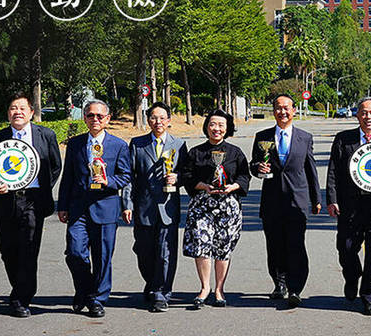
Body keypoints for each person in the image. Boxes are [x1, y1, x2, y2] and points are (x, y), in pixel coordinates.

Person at [0, 94, 63, 318]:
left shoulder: (45, 135)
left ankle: (21, 298)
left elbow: (55, 166)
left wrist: (43, 188)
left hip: (33, 201)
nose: (17, 112)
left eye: (22, 108)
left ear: (31, 113)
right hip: (5, 201)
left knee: (28, 249)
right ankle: (19, 289)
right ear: (8, 113)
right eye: (12, 108)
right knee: (8, 251)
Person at [326, 97, 371, 316]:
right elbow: (333, 172)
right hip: (350, 206)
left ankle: (370, 295)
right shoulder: (344, 140)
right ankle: (352, 276)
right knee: (346, 248)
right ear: (357, 115)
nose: (368, 117)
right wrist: (332, 199)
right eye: (364, 113)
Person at [57, 100, 132, 318]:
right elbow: (68, 177)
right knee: (74, 252)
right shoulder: (75, 144)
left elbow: (126, 176)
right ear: (85, 118)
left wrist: (108, 180)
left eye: (100, 116)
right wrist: (62, 205)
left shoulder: (119, 145)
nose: (95, 119)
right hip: (78, 208)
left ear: (107, 119)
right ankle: (85, 290)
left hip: (106, 208)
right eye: (90, 115)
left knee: (102, 257)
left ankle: (97, 299)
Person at [250, 95, 321, 308]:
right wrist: (257, 169)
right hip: (271, 200)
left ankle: (295, 288)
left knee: (296, 244)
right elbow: (253, 164)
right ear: (274, 111)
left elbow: (311, 170)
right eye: (278, 108)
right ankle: (279, 283)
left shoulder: (304, 137)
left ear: (294, 110)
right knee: (274, 245)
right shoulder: (262, 136)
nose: (283, 112)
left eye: (286, 108)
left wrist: (317, 198)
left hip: (297, 200)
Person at [121, 101, 188, 312]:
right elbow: (129, 177)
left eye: (162, 118)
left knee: (166, 252)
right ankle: (151, 283)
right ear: (148, 120)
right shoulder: (137, 144)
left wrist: (177, 178)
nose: (158, 122)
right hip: (144, 207)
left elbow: (187, 174)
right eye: (153, 118)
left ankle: (162, 292)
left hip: (168, 207)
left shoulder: (179, 145)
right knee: (143, 250)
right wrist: (127, 204)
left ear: (169, 121)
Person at [181, 109, 250, 309]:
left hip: (228, 206)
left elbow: (244, 176)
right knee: (202, 244)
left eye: (221, 125)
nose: (216, 129)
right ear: (206, 127)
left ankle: (219, 289)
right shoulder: (196, 152)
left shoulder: (235, 152)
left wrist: (233, 186)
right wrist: (204, 186)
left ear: (227, 128)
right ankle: (204, 288)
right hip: (202, 206)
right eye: (212, 124)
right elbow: (187, 176)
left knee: (223, 248)